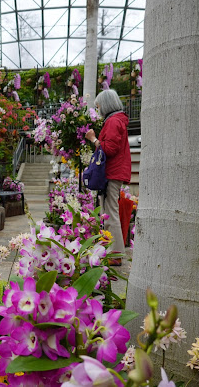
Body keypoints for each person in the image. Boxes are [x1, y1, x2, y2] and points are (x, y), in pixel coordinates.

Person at [85, 89, 131, 266]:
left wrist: (93, 139)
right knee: (108, 212)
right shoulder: (117, 120)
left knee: (110, 213)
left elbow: (109, 149)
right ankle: (111, 251)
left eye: (98, 107)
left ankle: (116, 254)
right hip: (114, 171)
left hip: (112, 172)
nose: (98, 110)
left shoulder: (113, 121)